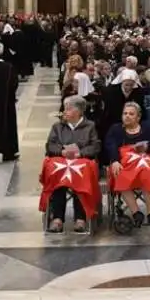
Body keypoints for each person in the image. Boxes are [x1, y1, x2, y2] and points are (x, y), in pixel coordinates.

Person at [40, 95, 101, 233]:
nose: (64, 112)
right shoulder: (57, 127)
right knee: (57, 174)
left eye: (68, 109)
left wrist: (80, 153)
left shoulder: (90, 126)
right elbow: (50, 145)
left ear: (79, 111)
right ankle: (57, 218)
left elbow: (95, 147)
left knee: (80, 177)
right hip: (62, 160)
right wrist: (61, 152)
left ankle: (80, 218)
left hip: (81, 160)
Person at [105, 102, 150, 227]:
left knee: (146, 169)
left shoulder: (148, 128)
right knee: (119, 173)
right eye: (125, 113)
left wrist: (148, 147)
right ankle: (136, 212)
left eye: (131, 114)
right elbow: (110, 146)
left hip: (147, 160)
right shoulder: (116, 129)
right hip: (125, 163)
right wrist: (114, 160)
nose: (127, 116)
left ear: (138, 117)